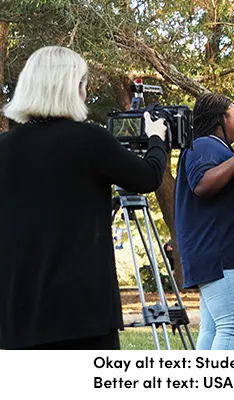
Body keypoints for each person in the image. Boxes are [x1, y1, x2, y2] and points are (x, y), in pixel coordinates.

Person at [0, 46, 168, 350]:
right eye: (83, 85)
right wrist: (157, 139)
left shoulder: (5, 147)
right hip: (82, 315)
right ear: (72, 88)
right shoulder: (90, 139)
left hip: (16, 317)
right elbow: (147, 177)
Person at [174, 93, 234, 350]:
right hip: (225, 257)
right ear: (220, 119)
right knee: (232, 330)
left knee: (213, 329)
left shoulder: (211, 147)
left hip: (220, 255)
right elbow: (202, 184)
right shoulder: (205, 145)